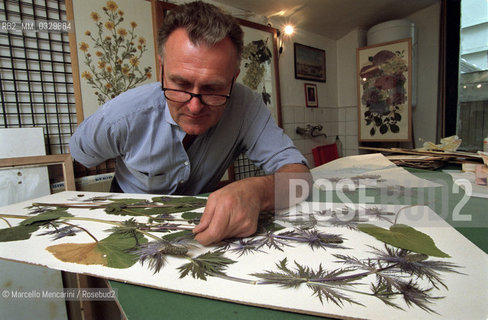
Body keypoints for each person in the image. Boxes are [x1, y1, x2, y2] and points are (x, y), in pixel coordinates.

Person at [69, 1, 311, 245]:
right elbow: (80, 156)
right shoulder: (121, 116)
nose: (194, 107)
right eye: (181, 84)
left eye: (213, 89)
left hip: (199, 225)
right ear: (162, 69)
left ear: (233, 79)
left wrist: (259, 192)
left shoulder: (247, 107)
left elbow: (301, 179)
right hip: (130, 221)